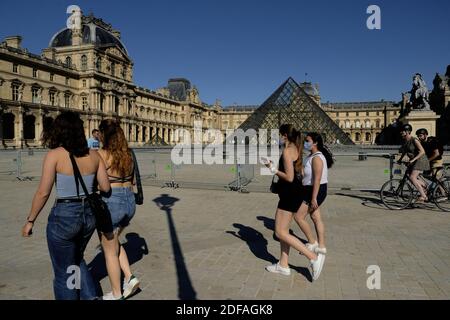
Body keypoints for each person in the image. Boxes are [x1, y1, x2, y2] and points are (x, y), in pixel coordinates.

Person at [21, 111, 110, 300]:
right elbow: (105, 187)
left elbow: (43, 192)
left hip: (65, 215)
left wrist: (30, 220)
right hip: (89, 216)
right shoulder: (94, 155)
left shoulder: (54, 155)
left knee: (64, 271)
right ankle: (90, 297)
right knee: (76, 259)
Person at [264, 124, 325, 281]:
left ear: (284, 135)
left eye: (279, 134)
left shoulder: (286, 151)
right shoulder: (297, 149)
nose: (278, 137)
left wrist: (273, 169)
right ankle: (283, 265)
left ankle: (313, 257)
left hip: (289, 194)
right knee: (285, 230)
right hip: (295, 193)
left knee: (280, 232)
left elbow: (290, 177)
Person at [97, 119, 140, 300]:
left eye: (99, 133)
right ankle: (129, 277)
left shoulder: (101, 154)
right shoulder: (128, 155)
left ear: (104, 135)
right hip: (130, 202)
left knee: (109, 251)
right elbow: (133, 182)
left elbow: (102, 185)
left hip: (111, 202)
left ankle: (116, 294)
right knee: (114, 242)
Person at [294, 132, 333, 257]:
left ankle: (312, 242)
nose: (305, 142)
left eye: (308, 140)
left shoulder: (317, 157)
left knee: (299, 217)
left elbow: (317, 179)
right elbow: (308, 174)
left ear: (315, 142)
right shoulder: (312, 156)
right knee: (316, 218)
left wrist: (314, 198)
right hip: (313, 189)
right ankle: (321, 246)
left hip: (314, 190)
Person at [398, 124, 430, 202]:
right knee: (409, 176)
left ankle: (424, 196)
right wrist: (400, 159)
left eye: (403, 131)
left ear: (408, 132)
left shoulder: (414, 140)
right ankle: (425, 186)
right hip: (414, 161)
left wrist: (412, 160)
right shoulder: (406, 141)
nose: (401, 132)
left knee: (412, 177)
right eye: (401, 131)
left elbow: (422, 152)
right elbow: (404, 151)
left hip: (421, 160)